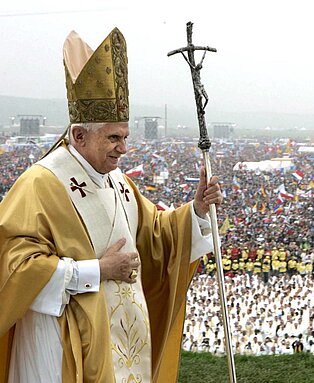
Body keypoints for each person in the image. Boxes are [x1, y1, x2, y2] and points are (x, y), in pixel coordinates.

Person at [0, 28, 223, 383]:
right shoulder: (40, 184)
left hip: (122, 339)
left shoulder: (119, 181)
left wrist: (195, 210)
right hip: (59, 344)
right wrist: (97, 271)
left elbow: (155, 236)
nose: (123, 148)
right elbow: (15, 268)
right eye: (113, 138)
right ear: (79, 135)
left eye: (125, 137)